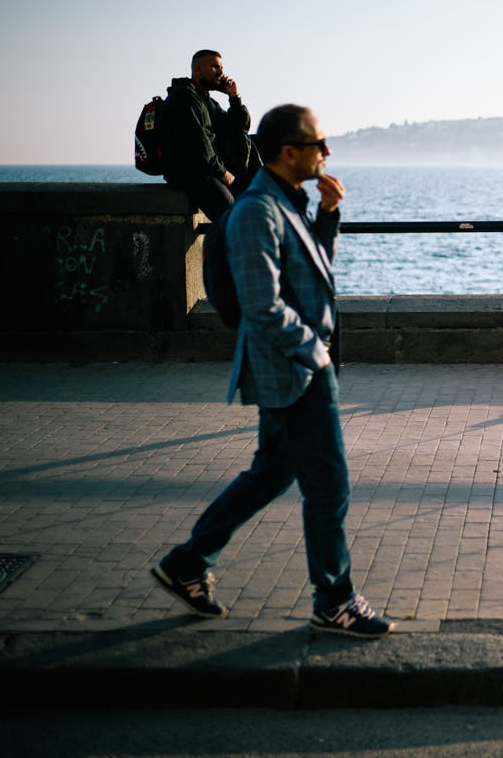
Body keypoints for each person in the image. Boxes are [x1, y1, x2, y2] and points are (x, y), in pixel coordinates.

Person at [151, 104, 390, 638]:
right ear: (288, 151)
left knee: (270, 474)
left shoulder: (288, 202)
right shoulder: (258, 210)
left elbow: (313, 276)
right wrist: (316, 351)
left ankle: (187, 564)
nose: (326, 154)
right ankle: (335, 600)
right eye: (319, 145)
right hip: (296, 370)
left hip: (292, 367)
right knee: (329, 485)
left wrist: (328, 216)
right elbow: (263, 306)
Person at [161, 49, 259, 222]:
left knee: (254, 140)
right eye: (215, 67)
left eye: (221, 67)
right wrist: (222, 173)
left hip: (208, 169)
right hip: (189, 172)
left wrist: (234, 97)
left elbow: (239, 127)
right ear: (198, 70)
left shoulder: (208, 101)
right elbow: (197, 142)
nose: (221, 72)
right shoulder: (184, 97)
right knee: (231, 216)